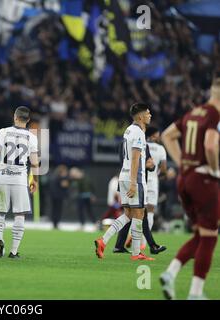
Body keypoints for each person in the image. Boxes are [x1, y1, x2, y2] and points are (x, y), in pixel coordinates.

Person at [160, 78, 220, 300]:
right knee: (210, 237)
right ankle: (195, 293)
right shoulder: (214, 115)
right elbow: (211, 146)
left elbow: (167, 135)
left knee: (200, 235)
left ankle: (170, 273)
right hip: (203, 180)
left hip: (185, 179)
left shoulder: (195, 112)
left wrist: (183, 163)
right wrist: (214, 170)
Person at [94, 102, 154, 261]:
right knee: (139, 213)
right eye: (148, 113)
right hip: (135, 177)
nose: (150, 115)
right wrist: (134, 183)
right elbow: (135, 158)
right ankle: (136, 253)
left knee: (127, 213)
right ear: (140, 116)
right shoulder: (139, 133)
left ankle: (103, 240)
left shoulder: (128, 130)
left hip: (123, 175)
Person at [0, 106, 40, 258]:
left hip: (3, 176)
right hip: (20, 178)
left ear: (15, 117)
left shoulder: (3, 131)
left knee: (0, 213)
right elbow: (34, 163)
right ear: (28, 120)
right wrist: (35, 180)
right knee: (19, 215)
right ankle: (13, 251)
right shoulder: (32, 137)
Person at [49, 165, 70, 229]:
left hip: (54, 196)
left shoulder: (54, 177)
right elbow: (64, 185)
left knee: (55, 210)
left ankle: (55, 223)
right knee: (57, 210)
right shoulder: (60, 178)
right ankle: (56, 223)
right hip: (58, 196)